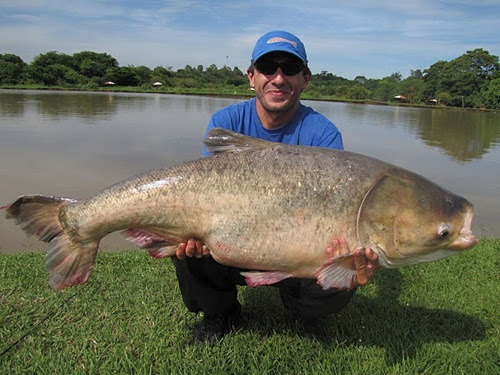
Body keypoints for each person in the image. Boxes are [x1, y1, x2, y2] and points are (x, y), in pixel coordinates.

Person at [171, 30, 378, 343]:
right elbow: (207, 196)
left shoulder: (323, 134)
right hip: (232, 242)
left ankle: (304, 309)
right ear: (252, 76)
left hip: (297, 253)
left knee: (343, 264)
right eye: (268, 68)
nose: (278, 78)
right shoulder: (226, 120)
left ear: (305, 78)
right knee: (187, 249)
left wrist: (347, 258)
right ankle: (220, 312)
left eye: (290, 69)